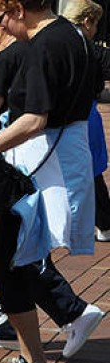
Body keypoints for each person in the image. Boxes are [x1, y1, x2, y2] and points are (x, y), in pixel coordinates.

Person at [0, 0, 103, 363]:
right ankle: (38, 358)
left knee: (11, 262)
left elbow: (34, 120)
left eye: (1, 15)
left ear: (18, 10)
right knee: (12, 260)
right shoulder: (74, 36)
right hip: (56, 160)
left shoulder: (44, 45)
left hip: (37, 165)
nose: (0, 24)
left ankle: (38, 362)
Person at [62, 0, 110, 242]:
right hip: (83, 116)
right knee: (91, 171)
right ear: (87, 21)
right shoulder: (91, 49)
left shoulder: (50, 42)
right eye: (95, 24)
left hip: (52, 116)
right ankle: (103, 222)